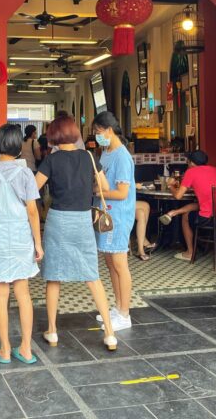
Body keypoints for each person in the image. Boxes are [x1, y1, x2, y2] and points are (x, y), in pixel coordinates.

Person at [35, 115, 117, 351]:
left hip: (58, 220)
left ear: (54, 136)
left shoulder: (52, 160)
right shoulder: (89, 156)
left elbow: (33, 188)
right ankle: (110, 334)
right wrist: (84, 186)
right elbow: (105, 187)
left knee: (54, 276)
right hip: (82, 220)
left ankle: (52, 331)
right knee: (93, 275)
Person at [0, 124, 43, 364]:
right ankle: (25, 348)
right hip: (20, 238)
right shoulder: (26, 174)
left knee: (0, 293)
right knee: (23, 293)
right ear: (17, 146)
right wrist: (38, 243)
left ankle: (5, 349)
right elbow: (33, 212)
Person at [91, 111, 137, 331]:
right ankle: (118, 308)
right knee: (110, 263)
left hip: (117, 216)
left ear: (109, 130)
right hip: (105, 215)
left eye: (99, 132)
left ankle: (125, 314)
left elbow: (121, 193)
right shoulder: (106, 153)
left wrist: (99, 192)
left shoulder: (121, 156)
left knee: (120, 264)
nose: (97, 136)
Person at [167, 150, 216, 261]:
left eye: (188, 161)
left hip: (208, 219)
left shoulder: (191, 172)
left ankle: (190, 253)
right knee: (197, 205)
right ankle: (174, 212)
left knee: (186, 216)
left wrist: (170, 186)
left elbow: (178, 196)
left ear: (191, 162)